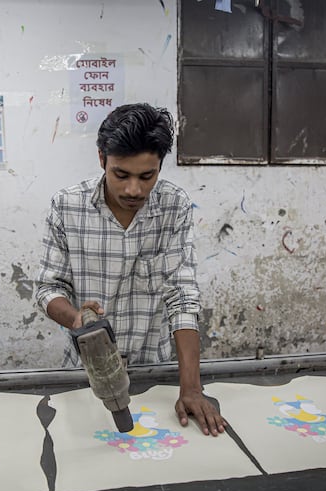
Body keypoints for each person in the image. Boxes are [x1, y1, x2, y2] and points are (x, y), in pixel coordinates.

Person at [35, 103, 227, 436]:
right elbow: (48, 288)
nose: (133, 190)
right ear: (101, 160)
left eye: (146, 176)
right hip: (87, 371)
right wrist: (76, 319)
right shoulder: (67, 206)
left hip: (154, 371)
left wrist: (191, 388)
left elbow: (181, 296)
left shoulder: (173, 207)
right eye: (121, 175)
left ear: (160, 166)